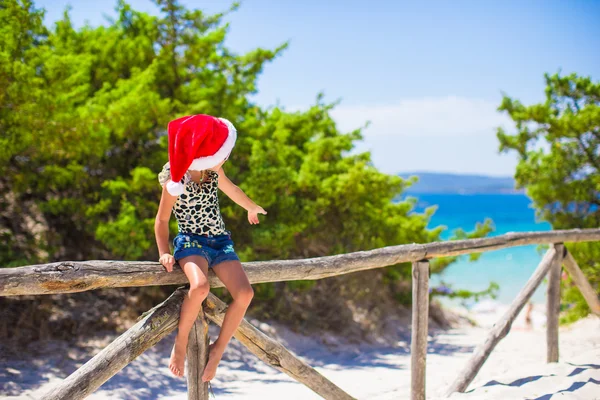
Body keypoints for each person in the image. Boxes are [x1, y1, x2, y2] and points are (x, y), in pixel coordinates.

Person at [154, 114, 266, 382]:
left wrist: (250, 206)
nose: (225, 159)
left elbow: (232, 189)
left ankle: (217, 350)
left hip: (219, 241)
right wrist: (163, 252)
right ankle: (180, 343)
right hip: (191, 242)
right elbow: (162, 219)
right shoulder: (175, 179)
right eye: (222, 154)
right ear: (205, 154)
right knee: (200, 287)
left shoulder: (212, 171)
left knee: (245, 293)